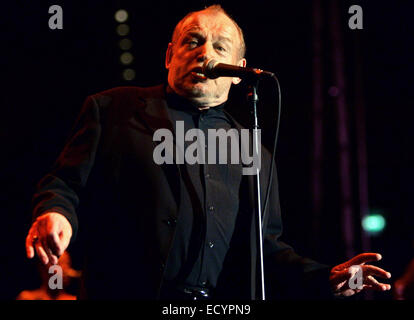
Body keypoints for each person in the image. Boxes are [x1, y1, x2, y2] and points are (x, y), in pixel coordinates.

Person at [25, 5, 391, 300]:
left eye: (220, 46)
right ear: (170, 55)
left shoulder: (253, 148)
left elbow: (265, 251)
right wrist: (55, 213)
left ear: (238, 72)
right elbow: (64, 183)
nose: (205, 53)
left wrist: (327, 278)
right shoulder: (112, 110)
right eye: (192, 41)